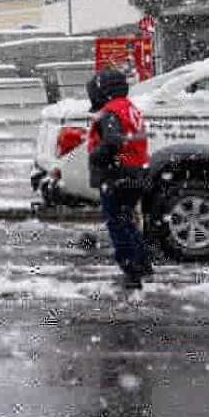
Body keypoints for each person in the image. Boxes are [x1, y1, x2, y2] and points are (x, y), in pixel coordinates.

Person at [86, 68, 152, 289]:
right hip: (137, 170)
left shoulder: (110, 111)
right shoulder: (130, 108)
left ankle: (131, 269)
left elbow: (113, 141)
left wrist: (97, 156)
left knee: (117, 223)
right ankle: (143, 263)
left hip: (117, 174)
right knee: (128, 220)